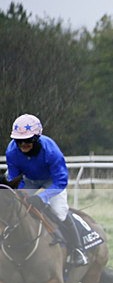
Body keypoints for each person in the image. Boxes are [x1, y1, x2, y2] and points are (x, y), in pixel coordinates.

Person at [5, 113, 88, 266]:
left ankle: (78, 250)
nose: (23, 144)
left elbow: (61, 180)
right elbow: (14, 178)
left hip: (53, 181)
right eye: (19, 141)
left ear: (36, 138)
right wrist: (21, 193)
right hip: (28, 180)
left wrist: (43, 197)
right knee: (10, 206)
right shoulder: (11, 152)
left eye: (28, 140)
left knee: (59, 212)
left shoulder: (51, 151)